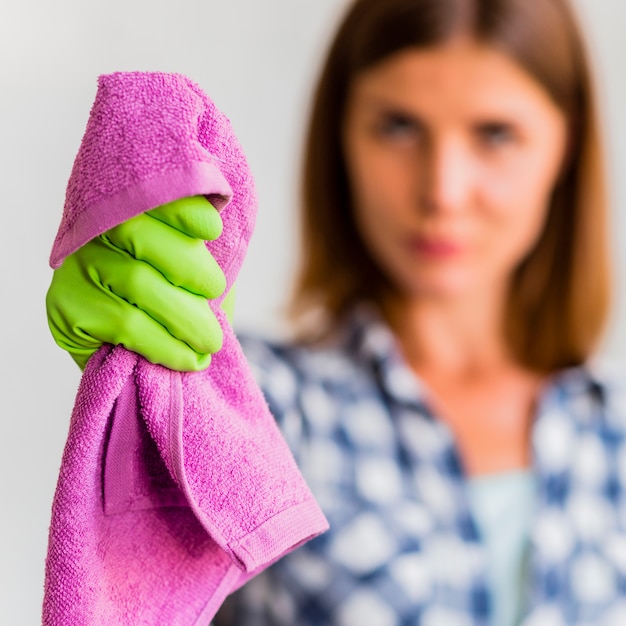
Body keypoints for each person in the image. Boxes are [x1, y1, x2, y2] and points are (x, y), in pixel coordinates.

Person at [44, 0, 626, 624]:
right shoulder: (271, 412)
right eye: (399, 127)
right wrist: (153, 382)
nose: (443, 190)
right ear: (342, 137)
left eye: (495, 134)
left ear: (565, 145)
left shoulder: (613, 427)